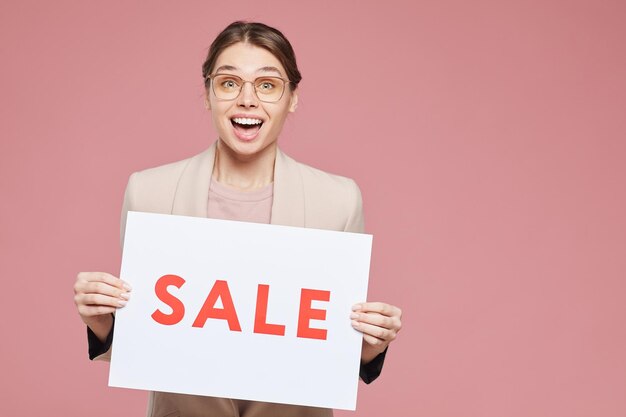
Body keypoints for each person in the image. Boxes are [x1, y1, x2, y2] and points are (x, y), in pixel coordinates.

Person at [73, 21, 402, 417]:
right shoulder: (149, 192)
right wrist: (102, 322)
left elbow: (325, 355)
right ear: (208, 94)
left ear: (292, 97)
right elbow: (148, 344)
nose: (247, 100)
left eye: (267, 85)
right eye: (229, 83)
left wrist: (368, 347)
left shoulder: (338, 200)